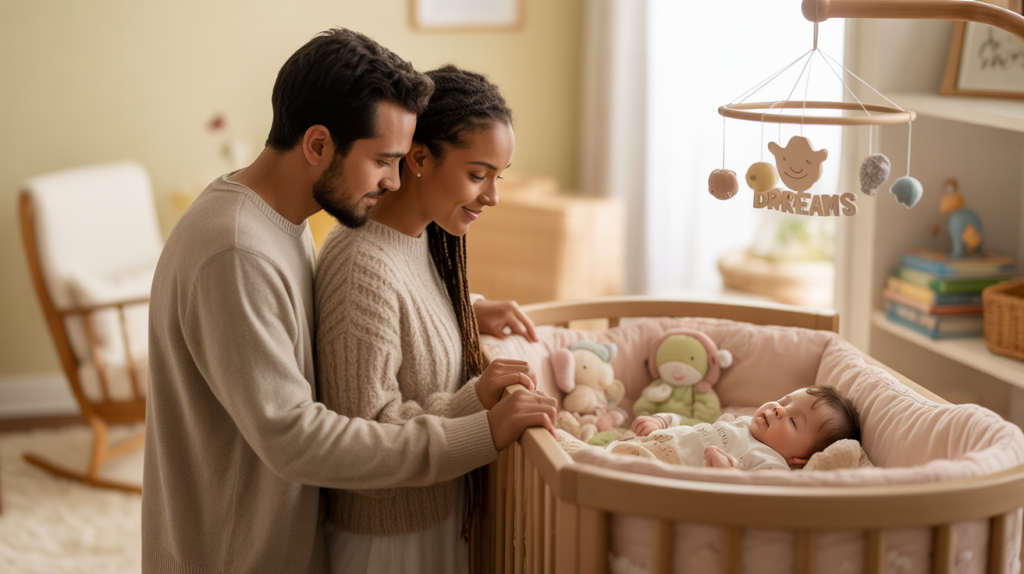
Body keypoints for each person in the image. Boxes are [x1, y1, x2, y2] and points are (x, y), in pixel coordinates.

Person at [142, 29, 556, 574]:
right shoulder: (237, 250)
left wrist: (459, 310)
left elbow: (319, 324)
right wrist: (479, 433)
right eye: (385, 160)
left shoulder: (281, 219)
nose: (393, 180)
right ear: (318, 145)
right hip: (236, 553)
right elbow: (296, 438)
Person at [314, 64, 537, 574]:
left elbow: (405, 308)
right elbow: (365, 435)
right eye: (478, 175)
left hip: (434, 511)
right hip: (388, 538)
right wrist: (476, 402)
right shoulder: (359, 266)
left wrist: (470, 309)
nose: (492, 196)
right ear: (418, 157)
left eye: (497, 177)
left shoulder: (424, 238)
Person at [609, 385, 860, 470]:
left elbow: (758, 495)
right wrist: (664, 421)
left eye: (793, 421)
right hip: (644, 445)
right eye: (783, 400)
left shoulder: (769, 460)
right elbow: (695, 428)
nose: (778, 409)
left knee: (585, 464)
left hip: (659, 469)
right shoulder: (741, 422)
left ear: (799, 459)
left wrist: (731, 473)